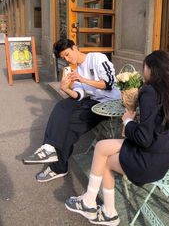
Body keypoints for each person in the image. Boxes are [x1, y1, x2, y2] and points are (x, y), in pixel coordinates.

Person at [65, 50, 169, 226]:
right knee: (102, 147)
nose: (143, 72)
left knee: (107, 162)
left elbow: (143, 138)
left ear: (151, 69)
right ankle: (91, 202)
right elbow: (157, 129)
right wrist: (134, 123)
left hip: (151, 159)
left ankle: (105, 211)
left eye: (144, 67)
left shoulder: (149, 92)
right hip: (167, 155)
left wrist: (128, 122)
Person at [23, 38, 121, 182]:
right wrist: (65, 89)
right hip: (92, 101)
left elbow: (109, 84)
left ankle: (59, 166)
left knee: (68, 126)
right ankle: (49, 147)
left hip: (108, 104)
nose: (68, 59)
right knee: (62, 106)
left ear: (75, 47)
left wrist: (84, 80)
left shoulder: (97, 58)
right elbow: (78, 96)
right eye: (64, 58)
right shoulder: (76, 70)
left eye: (68, 54)